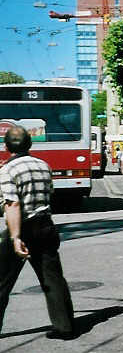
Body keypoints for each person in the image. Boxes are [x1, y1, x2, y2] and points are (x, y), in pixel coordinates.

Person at [0, 125, 76, 339]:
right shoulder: (43, 165)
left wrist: (15, 238)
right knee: (52, 277)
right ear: (29, 144)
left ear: (6, 146)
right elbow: (49, 193)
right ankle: (65, 327)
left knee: (2, 280)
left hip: (22, 227)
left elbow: (12, 204)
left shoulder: (7, 170)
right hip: (45, 225)